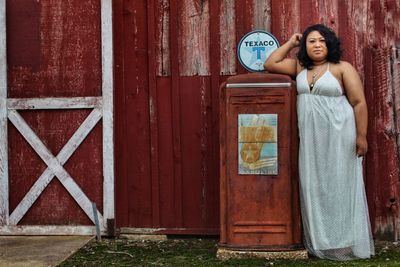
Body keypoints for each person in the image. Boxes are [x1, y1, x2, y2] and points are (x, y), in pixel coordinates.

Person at [264, 24, 375, 260]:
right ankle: (320, 243)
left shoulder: (342, 68)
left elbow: (359, 103)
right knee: (313, 185)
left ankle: (343, 242)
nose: (317, 45)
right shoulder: (299, 67)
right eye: (311, 41)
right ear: (305, 46)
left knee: (339, 186)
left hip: (340, 135)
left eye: (322, 40)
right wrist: (291, 43)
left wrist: (361, 136)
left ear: (330, 44)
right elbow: (270, 64)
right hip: (311, 138)